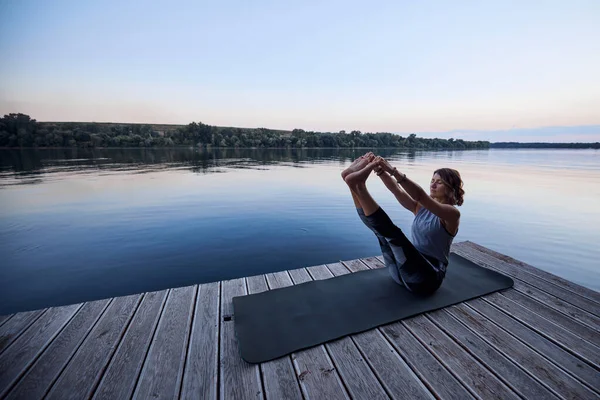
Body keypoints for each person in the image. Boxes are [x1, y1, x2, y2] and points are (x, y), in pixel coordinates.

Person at [341, 152, 465, 295]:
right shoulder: (420, 208)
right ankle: (354, 186)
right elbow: (396, 190)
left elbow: (420, 195)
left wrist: (393, 170)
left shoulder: (452, 215)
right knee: (381, 234)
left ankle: (359, 186)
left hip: (427, 280)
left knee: (395, 235)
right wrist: (380, 171)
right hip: (403, 273)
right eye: (432, 180)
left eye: (439, 182)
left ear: (451, 189)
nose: (433, 184)